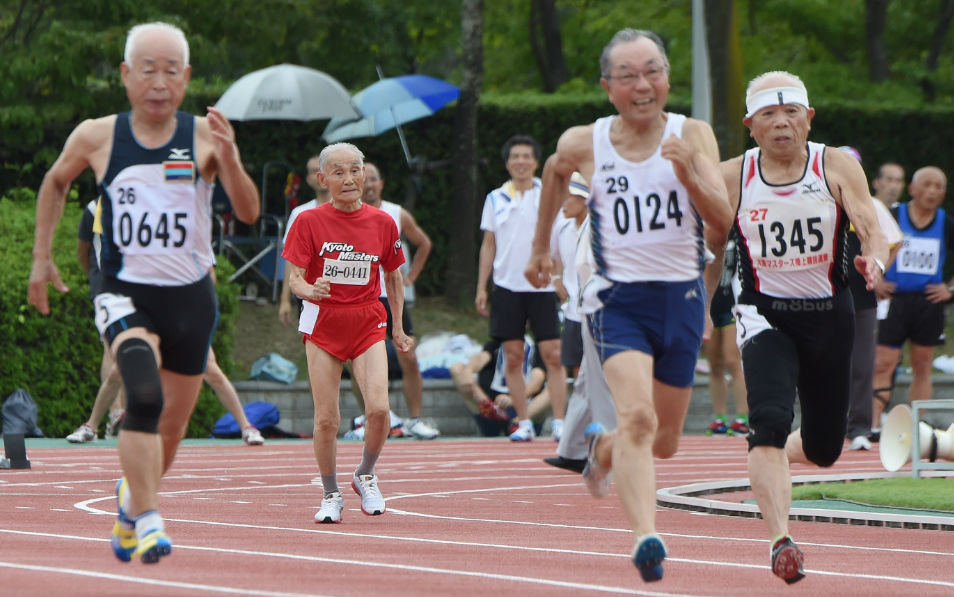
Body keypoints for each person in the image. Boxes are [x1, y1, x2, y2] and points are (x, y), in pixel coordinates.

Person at [28, 22, 260, 564]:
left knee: (171, 430)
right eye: (148, 70)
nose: (159, 82)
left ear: (187, 78)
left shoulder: (205, 136)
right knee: (143, 395)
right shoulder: (97, 135)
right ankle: (151, 519)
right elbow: (56, 181)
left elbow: (248, 212)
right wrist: (42, 255)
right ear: (126, 75)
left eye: (171, 71)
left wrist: (230, 159)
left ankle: (132, 502)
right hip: (124, 291)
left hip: (190, 297)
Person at [524, 29, 733, 582]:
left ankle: (603, 448)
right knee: (638, 417)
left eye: (652, 72)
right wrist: (541, 246)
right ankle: (646, 537)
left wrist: (689, 173)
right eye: (628, 75)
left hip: (682, 299)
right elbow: (554, 171)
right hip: (617, 302)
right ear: (607, 86)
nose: (643, 85)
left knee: (665, 441)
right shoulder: (585, 141)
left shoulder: (693, 134)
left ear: (667, 78)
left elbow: (723, 222)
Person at [718, 71, 888, 583]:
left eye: (790, 112)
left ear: (809, 118)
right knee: (768, 419)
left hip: (828, 315)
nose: (781, 123)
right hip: (763, 313)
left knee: (824, 448)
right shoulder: (733, 176)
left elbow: (871, 225)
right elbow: (704, 241)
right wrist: (699, 304)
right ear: (750, 125)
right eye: (768, 115)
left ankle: (777, 453)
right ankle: (780, 539)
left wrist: (875, 260)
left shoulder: (834, 164)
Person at [282, 142, 412, 524]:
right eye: (338, 172)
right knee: (327, 419)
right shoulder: (307, 221)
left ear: (364, 174)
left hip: (368, 320)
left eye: (355, 170)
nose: (350, 179)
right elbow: (294, 279)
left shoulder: (383, 223)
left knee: (379, 409)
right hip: (324, 323)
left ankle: (365, 474)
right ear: (323, 180)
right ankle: (330, 493)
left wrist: (398, 328)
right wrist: (310, 290)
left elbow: (393, 277)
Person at [477, 134, 566, 441]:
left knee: (553, 354)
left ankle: (559, 422)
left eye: (527, 156)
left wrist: (559, 277)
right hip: (507, 286)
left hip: (542, 286)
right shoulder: (495, 198)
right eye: (515, 156)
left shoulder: (549, 194)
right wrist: (482, 287)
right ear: (507, 163)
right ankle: (523, 422)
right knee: (513, 356)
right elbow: (488, 245)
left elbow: (559, 239)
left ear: (536, 162)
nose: (521, 162)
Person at [543, 175, 617, 473]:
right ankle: (573, 450)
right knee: (586, 380)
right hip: (585, 310)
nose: (565, 200)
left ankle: (612, 452)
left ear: (586, 199)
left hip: (605, 310)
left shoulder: (603, 224)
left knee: (599, 382)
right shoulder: (570, 226)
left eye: (571, 195)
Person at [871, 166, 953, 435]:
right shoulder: (894, 216)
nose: (932, 191)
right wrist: (876, 279)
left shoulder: (945, 223)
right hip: (893, 300)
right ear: (913, 189)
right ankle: (872, 424)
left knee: (922, 364)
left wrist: (950, 289)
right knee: (883, 362)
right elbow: (867, 244)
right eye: (926, 185)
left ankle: (917, 428)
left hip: (928, 303)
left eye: (938, 186)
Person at [360, 161, 439, 440]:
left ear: (381, 184)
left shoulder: (396, 213)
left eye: (373, 179)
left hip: (391, 296)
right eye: (364, 179)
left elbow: (424, 243)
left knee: (409, 356)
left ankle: (415, 419)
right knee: (363, 362)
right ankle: (372, 418)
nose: (368, 185)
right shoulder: (347, 213)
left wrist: (411, 276)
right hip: (362, 298)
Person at [835, 147, 903, 451]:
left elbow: (894, 241)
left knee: (862, 364)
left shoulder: (871, 205)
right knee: (822, 361)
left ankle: (859, 428)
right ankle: (824, 425)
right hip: (824, 295)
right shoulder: (818, 202)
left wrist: (878, 272)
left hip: (861, 296)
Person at [67, 198, 126, 443]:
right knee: (111, 346)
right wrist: (96, 279)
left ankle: (119, 416)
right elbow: (82, 252)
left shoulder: (141, 198)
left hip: (136, 285)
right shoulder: (95, 208)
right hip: (106, 287)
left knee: (128, 348)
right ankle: (115, 413)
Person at [449, 336, 552, 437]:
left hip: (526, 412)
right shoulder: (495, 346)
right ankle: (490, 408)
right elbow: (481, 358)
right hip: (492, 410)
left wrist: (514, 399)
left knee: (554, 386)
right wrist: (468, 370)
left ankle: (517, 424)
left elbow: (537, 381)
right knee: (457, 369)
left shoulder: (537, 350)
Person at [704, 231, 749, 437]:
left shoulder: (735, 235)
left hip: (732, 303)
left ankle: (742, 417)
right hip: (710, 305)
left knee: (733, 359)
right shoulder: (703, 235)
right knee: (714, 363)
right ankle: (719, 418)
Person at [279, 154, 331, 326]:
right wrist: (284, 299)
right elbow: (290, 259)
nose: (320, 175)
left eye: (323, 169)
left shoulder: (351, 210)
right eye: (314, 171)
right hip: (309, 294)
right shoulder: (300, 214)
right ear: (308, 179)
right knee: (312, 341)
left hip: (346, 296)